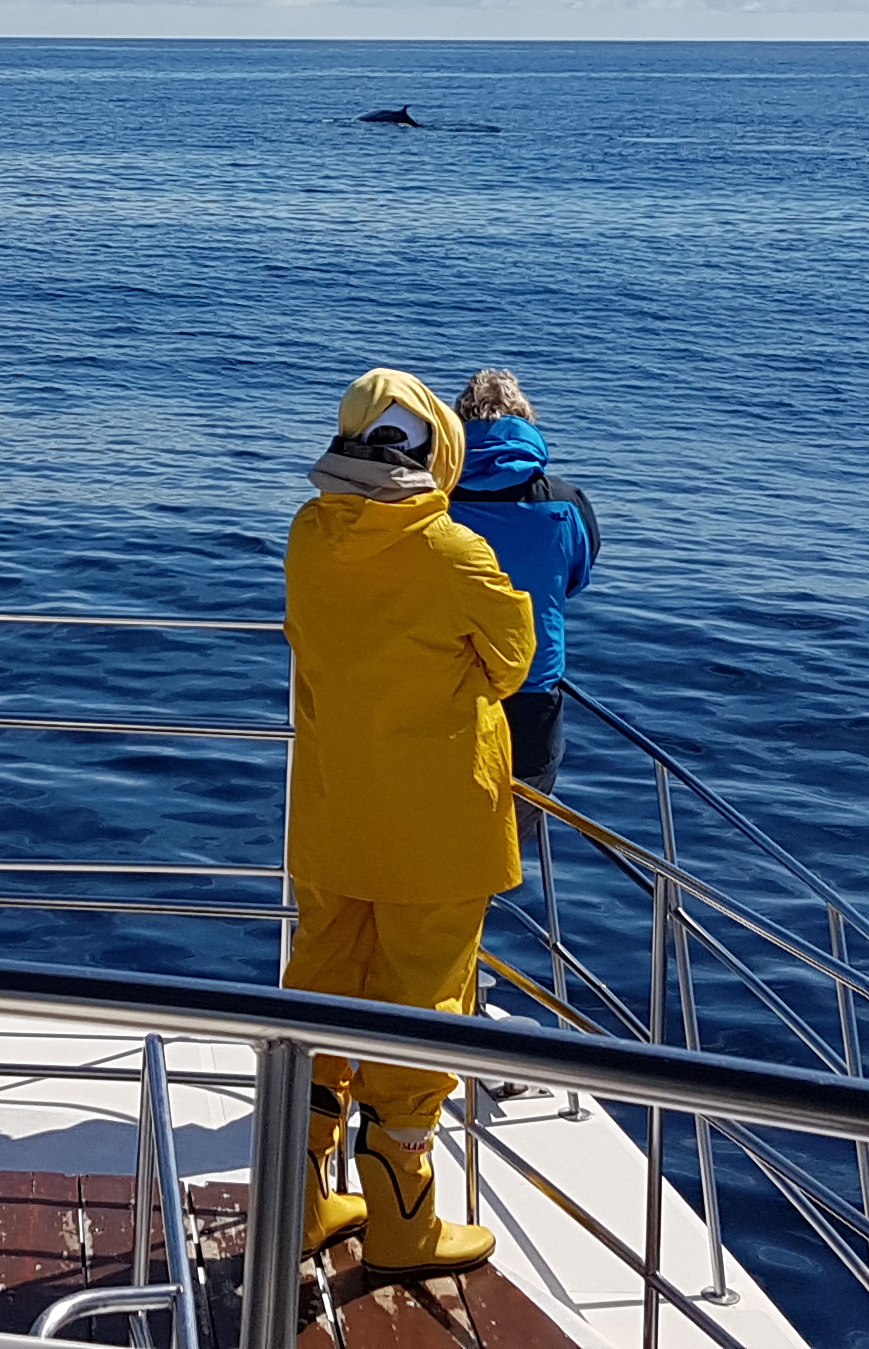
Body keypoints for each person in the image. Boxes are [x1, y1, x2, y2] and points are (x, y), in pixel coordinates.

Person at [280, 368, 533, 1281]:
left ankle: (302, 1202)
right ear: (438, 451)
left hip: (332, 807)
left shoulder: (310, 533)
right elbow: (512, 658)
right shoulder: (451, 550)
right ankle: (402, 1221)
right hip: (436, 826)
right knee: (422, 1002)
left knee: (318, 984)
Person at [447, 369, 599, 823]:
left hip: (448, 684)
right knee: (513, 827)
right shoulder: (566, 503)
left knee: (441, 826)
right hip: (533, 687)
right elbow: (576, 578)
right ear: (527, 423)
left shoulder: (431, 501)